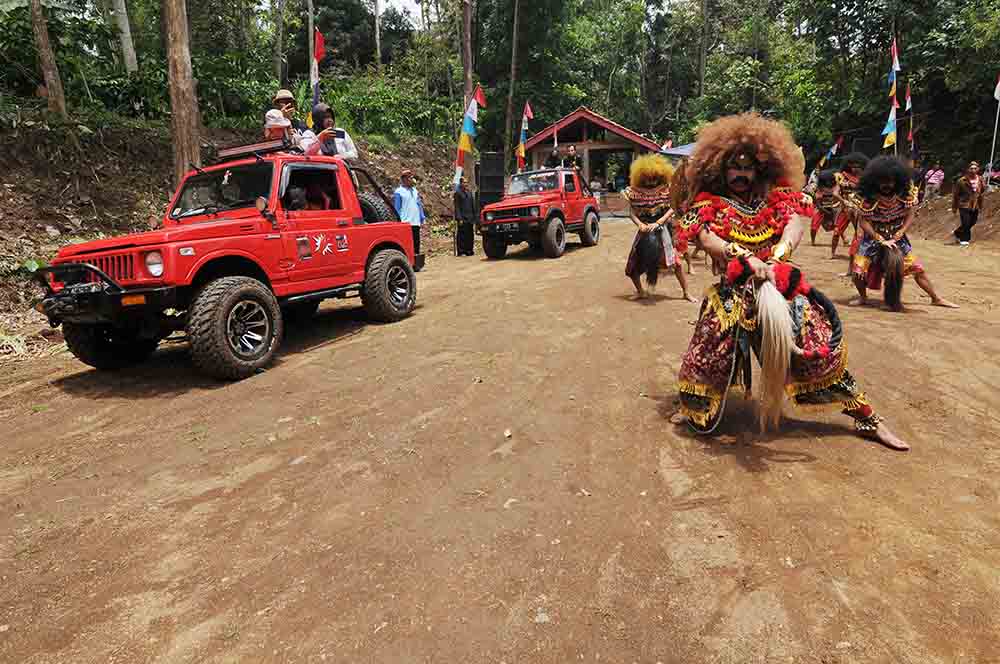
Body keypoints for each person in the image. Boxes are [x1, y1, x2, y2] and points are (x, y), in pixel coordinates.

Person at [672, 112, 909, 450]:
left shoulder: (781, 198)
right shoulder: (708, 204)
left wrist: (777, 257)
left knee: (817, 343)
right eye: (734, 168)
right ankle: (693, 408)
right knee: (710, 347)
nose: (741, 174)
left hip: (781, 282)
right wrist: (745, 257)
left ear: (761, 170)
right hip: (734, 289)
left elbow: (796, 224)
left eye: (748, 167)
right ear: (720, 170)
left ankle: (868, 418)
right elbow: (708, 239)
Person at [851, 157, 958, 311]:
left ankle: (936, 298)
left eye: (890, 181)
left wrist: (902, 231)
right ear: (874, 181)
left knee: (917, 269)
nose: (886, 185)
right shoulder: (867, 199)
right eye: (882, 181)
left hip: (897, 238)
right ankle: (863, 297)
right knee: (858, 271)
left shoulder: (906, 196)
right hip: (873, 240)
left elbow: (911, 214)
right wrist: (879, 238)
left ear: (898, 180)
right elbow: (863, 222)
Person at [623, 154, 694, 301]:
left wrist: (659, 222)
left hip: (662, 231)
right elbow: (631, 212)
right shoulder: (634, 192)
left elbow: (673, 208)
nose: (651, 181)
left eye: (654, 177)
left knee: (676, 264)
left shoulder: (667, 190)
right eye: (648, 177)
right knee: (632, 265)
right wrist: (640, 224)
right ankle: (641, 291)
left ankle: (686, 293)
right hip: (643, 231)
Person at [831, 152, 867, 265]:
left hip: (858, 210)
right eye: (853, 165)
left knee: (859, 234)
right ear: (848, 165)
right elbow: (835, 193)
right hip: (844, 209)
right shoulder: (841, 176)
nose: (855, 168)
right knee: (836, 232)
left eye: (857, 166)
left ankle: (857, 257)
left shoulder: (864, 179)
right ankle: (833, 253)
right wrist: (844, 201)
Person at [393, 169, 426, 260]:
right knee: (407, 243)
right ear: (404, 179)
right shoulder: (399, 192)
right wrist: (399, 221)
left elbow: (419, 204)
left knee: (416, 242)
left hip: (415, 221)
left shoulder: (415, 191)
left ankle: (417, 262)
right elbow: (397, 208)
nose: (412, 180)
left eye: (412, 178)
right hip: (406, 222)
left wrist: (422, 217)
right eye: (410, 178)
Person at [952, 162, 984, 246]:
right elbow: (956, 195)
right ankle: (965, 239)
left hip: (975, 204)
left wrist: (980, 205)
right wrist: (954, 207)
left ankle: (957, 232)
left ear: (978, 169)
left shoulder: (980, 179)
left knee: (972, 222)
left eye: (975, 168)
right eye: (971, 168)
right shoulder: (961, 181)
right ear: (968, 169)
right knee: (966, 222)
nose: (973, 170)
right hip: (964, 204)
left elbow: (981, 192)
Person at [809, 170, 842, 246]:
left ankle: (844, 239)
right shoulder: (818, 189)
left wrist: (834, 210)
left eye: (830, 181)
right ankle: (813, 241)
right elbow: (818, 204)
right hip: (821, 209)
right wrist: (826, 212)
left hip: (834, 208)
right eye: (826, 181)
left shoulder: (837, 186)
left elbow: (838, 198)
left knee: (838, 225)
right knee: (814, 226)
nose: (828, 182)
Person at [453, 177, 476, 257]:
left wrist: (474, 216)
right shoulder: (458, 193)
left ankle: (469, 250)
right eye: (464, 182)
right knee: (462, 235)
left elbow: (473, 205)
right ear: (461, 183)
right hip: (462, 217)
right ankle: (461, 251)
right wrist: (459, 218)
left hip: (470, 217)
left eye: (466, 183)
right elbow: (457, 207)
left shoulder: (469, 192)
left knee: (470, 235)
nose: (466, 184)